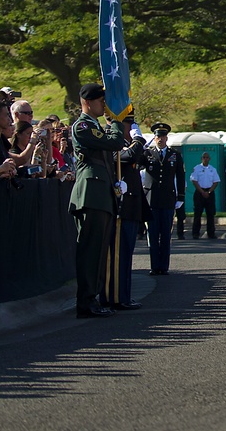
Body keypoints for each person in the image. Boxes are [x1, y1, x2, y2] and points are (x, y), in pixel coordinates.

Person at [69, 82, 126, 319]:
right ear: (87, 102)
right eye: (100, 101)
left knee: (99, 251)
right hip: (90, 195)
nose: (104, 104)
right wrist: (116, 123)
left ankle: (93, 298)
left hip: (101, 195)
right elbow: (115, 142)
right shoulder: (83, 126)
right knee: (90, 251)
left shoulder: (95, 126)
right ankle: (86, 301)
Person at [101, 115, 148, 311]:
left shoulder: (128, 143)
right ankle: (116, 297)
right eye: (130, 123)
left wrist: (137, 142)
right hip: (121, 206)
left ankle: (125, 295)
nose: (132, 126)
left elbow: (143, 158)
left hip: (132, 206)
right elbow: (126, 157)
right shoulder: (111, 142)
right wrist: (137, 140)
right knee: (118, 254)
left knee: (127, 254)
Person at [145, 123, 185, 274]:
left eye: (162, 136)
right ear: (154, 138)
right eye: (157, 136)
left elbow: (181, 176)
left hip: (168, 199)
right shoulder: (148, 154)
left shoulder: (174, 155)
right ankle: (155, 266)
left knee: (166, 235)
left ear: (166, 138)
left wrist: (180, 196)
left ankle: (164, 266)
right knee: (153, 235)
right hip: (152, 199)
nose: (160, 139)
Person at [191, 151, 220, 238]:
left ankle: (211, 233)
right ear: (201, 159)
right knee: (197, 214)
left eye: (207, 157)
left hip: (209, 192)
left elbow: (216, 182)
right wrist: (202, 192)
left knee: (210, 214)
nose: (206, 159)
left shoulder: (212, 169)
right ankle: (196, 233)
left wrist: (209, 192)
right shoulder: (197, 168)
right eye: (204, 157)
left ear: (209, 159)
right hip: (200, 192)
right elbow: (194, 181)